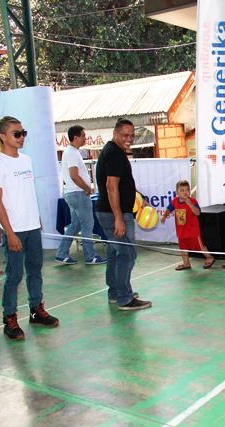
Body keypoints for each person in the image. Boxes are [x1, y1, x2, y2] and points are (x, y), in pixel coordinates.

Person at [0, 116, 60, 340]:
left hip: (32, 227)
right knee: (14, 275)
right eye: (16, 134)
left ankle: (36, 310)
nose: (21, 137)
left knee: (35, 272)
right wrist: (9, 233)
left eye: (23, 133)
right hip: (14, 230)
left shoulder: (26, 160)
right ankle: (9, 318)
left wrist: (36, 220)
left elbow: (26, 194)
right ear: (2, 136)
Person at [95, 118, 151, 311]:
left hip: (109, 212)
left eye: (132, 135)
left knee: (115, 253)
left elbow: (119, 185)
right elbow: (112, 187)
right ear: (115, 133)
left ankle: (115, 292)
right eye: (125, 135)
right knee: (127, 254)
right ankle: (125, 298)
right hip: (114, 214)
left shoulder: (113, 152)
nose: (129, 139)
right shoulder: (114, 154)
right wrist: (118, 218)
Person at [55, 125, 106, 266]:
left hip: (73, 193)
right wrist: (87, 188)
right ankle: (90, 256)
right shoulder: (72, 153)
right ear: (76, 137)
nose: (85, 138)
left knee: (75, 225)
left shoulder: (71, 152)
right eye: (83, 135)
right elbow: (74, 175)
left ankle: (61, 253)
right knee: (87, 225)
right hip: (78, 193)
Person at [160, 180, 215, 270]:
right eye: (182, 190)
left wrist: (190, 204)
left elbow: (198, 213)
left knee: (200, 247)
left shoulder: (193, 201)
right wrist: (164, 216)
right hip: (181, 231)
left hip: (193, 231)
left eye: (187, 190)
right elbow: (169, 209)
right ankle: (186, 263)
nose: (185, 192)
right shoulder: (175, 201)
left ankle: (209, 257)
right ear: (177, 192)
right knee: (183, 248)